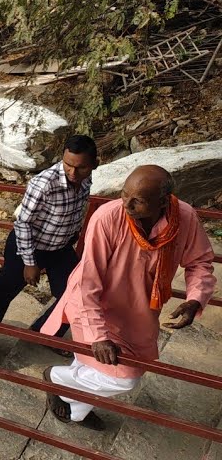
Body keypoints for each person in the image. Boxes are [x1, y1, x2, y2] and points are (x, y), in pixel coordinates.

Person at [40, 165, 215, 429]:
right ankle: (57, 379)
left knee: (99, 366)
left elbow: (200, 262)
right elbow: (89, 282)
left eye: (139, 201)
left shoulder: (185, 218)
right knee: (125, 377)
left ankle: (76, 408)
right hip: (95, 307)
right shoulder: (107, 218)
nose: (128, 205)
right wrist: (98, 336)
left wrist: (195, 299)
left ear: (164, 202)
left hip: (140, 312)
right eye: (124, 195)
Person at [0, 135, 98, 341]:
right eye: (68, 165)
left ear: (94, 165)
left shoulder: (86, 179)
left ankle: (46, 335)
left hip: (60, 248)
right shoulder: (44, 183)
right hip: (28, 246)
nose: (72, 173)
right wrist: (29, 262)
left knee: (76, 293)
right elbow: (23, 223)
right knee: (2, 293)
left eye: (80, 168)